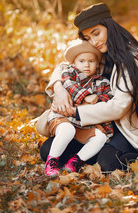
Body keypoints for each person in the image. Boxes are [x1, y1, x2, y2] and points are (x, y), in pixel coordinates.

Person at [37, 3, 138, 173]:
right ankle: (93, 153)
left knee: (107, 165)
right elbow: (65, 66)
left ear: (110, 27)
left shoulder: (133, 58)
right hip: (96, 123)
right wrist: (59, 88)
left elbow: (119, 107)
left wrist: (76, 112)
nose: (94, 42)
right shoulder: (99, 52)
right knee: (47, 150)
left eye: (97, 33)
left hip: (123, 128)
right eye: (88, 38)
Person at [45, 40, 114, 176]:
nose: (86, 65)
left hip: (85, 123)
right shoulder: (69, 73)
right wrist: (86, 97)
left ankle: (76, 160)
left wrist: (97, 100)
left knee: (100, 137)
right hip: (64, 117)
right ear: (74, 63)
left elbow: (108, 99)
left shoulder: (103, 82)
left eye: (91, 61)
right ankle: (51, 160)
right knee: (67, 130)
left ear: (97, 64)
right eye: (81, 61)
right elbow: (69, 84)